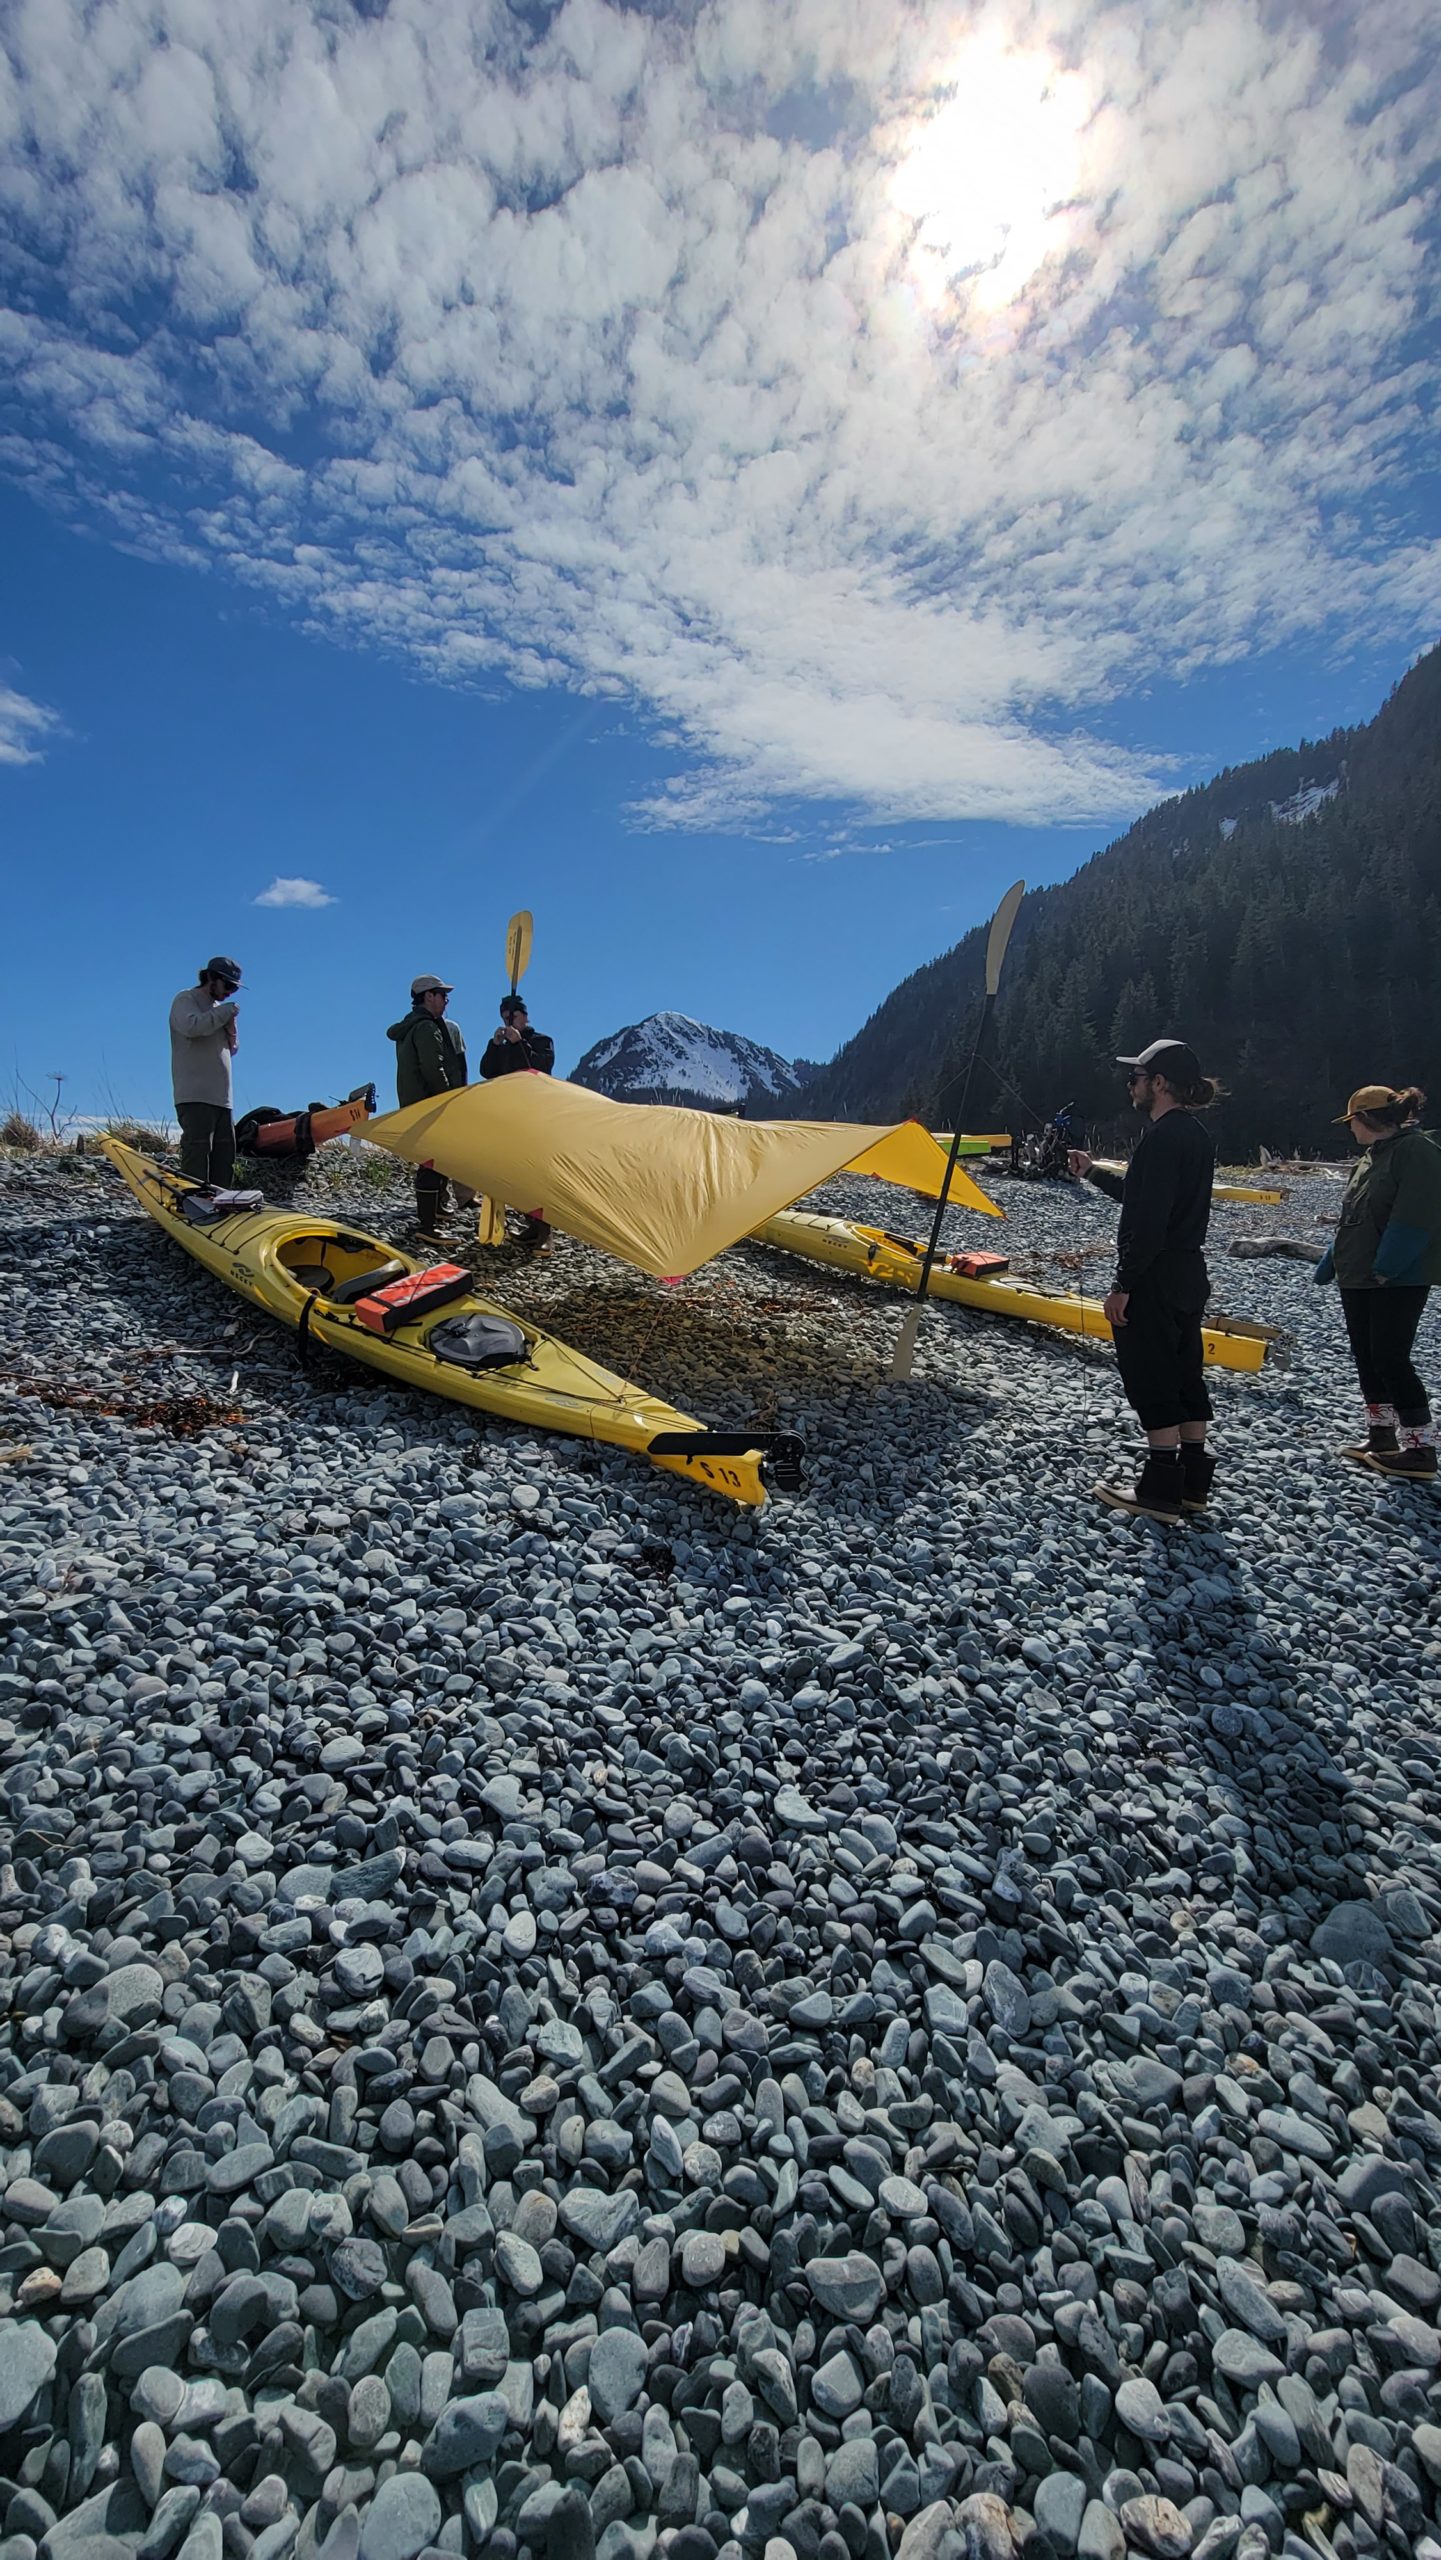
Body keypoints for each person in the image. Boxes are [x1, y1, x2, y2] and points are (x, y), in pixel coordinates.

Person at [1069, 1037, 1222, 1522]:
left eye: (1135, 1078)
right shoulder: (1195, 1135)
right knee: (1184, 1371)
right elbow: (1143, 1198)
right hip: (1189, 1272)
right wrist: (1093, 1173)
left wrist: (1123, 1284)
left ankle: (1158, 1489)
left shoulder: (1160, 1139)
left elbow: (1148, 1222)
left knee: (1150, 1374)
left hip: (1154, 1274)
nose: (1129, 1085)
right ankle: (1193, 1485)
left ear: (1158, 1084)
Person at [1314, 1085, 1441, 1480]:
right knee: (1367, 1355)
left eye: (1352, 1121)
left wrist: (1388, 1265)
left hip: (1397, 1278)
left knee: (1390, 1355)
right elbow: (1354, 1215)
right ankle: (1382, 1434)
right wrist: (1332, 1259)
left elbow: (1416, 1213)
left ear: (1365, 1119)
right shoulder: (1370, 1158)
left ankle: (1421, 1448)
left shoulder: (1416, 1152)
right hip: (1359, 1275)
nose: (1350, 1129)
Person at [387, 974, 471, 1243]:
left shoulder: (414, 1026)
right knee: (432, 1161)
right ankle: (428, 1226)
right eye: (442, 995)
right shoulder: (426, 1028)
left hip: (418, 1102)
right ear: (428, 996)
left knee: (432, 1159)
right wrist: (449, 1097)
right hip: (430, 1103)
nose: (446, 1000)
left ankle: (434, 1212)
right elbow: (433, 1067)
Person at [480, 994, 556, 1247]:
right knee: (516, 1174)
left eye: (513, 1016)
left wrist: (520, 1043)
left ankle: (545, 1232)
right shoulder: (502, 1046)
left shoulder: (542, 1041)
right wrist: (495, 1044)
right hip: (508, 1116)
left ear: (525, 1016)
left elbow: (539, 1068)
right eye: (505, 1017)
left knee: (535, 1174)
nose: (509, 1020)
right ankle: (530, 1225)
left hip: (534, 1115)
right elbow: (487, 1071)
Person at [170, 956, 242, 1186]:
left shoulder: (220, 1010)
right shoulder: (186, 999)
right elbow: (193, 1027)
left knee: (224, 1155)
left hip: (222, 1098)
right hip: (194, 1094)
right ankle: (192, 1202)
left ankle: (221, 1202)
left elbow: (232, 1049)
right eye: (227, 985)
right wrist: (225, 1013)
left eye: (235, 987)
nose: (230, 992)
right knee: (198, 1149)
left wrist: (231, 1028)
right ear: (210, 978)